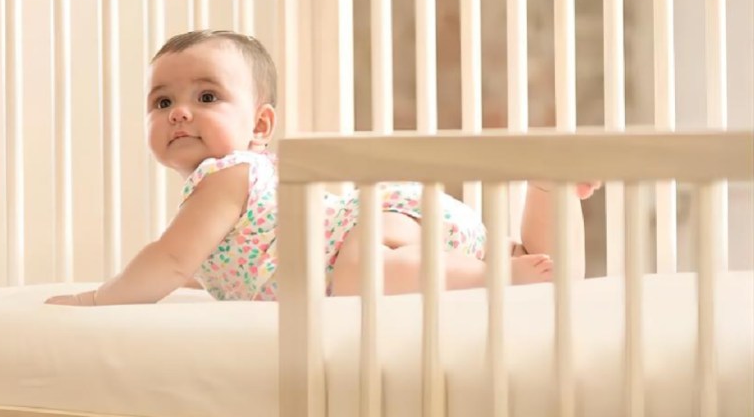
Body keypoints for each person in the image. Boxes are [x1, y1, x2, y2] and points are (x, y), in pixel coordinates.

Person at [46, 30, 598, 306]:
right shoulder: (229, 190)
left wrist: (100, 299)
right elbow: (212, 268)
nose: (180, 112)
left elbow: (168, 260)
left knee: (358, 271)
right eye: (162, 103)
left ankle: (496, 278)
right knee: (541, 268)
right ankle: (550, 191)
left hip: (371, 230)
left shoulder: (228, 175)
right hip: (406, 233)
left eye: (207, 96)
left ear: (260, 126)